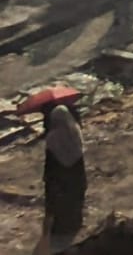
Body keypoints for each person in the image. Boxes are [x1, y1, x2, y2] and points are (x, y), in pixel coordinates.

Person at [40, 100, 84, 255]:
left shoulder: (53, 137)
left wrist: (47, 178)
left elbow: (50, 162)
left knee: (60, 203)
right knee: (74, 199)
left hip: (60, 176)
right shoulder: (75, 132)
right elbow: (80, 157)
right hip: (76, 174)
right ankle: (75, 224)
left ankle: (61, 231)